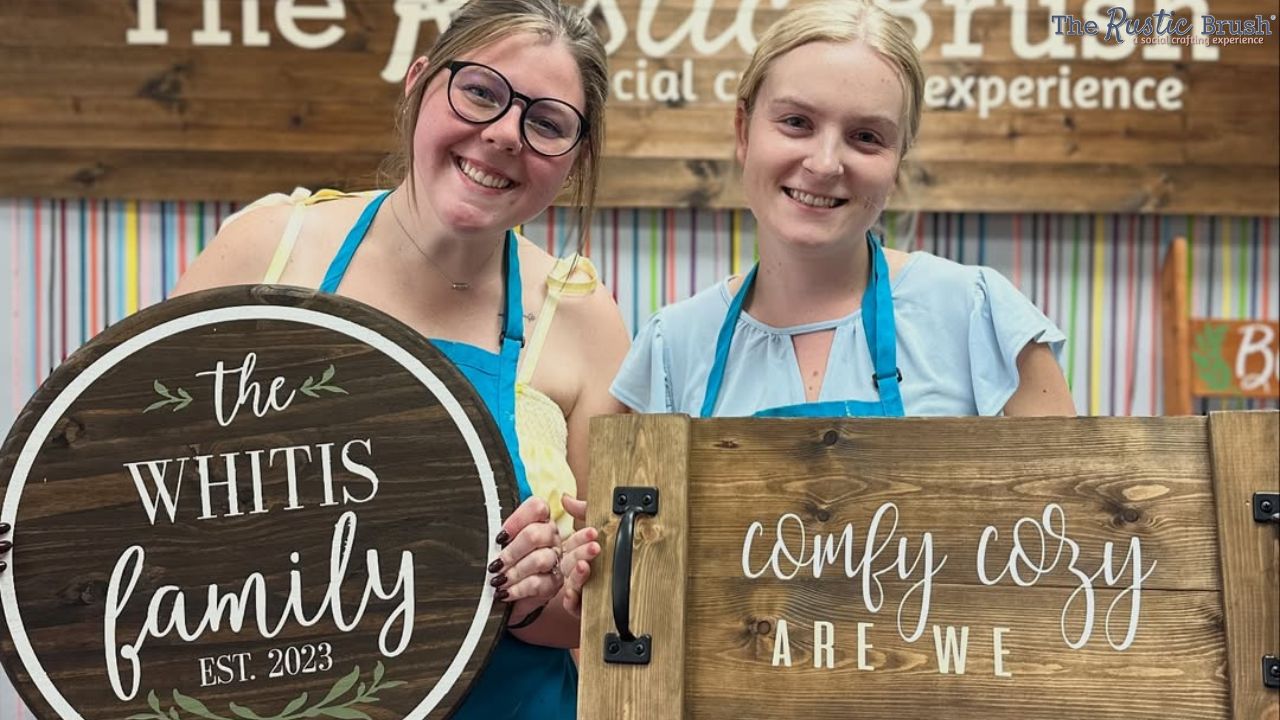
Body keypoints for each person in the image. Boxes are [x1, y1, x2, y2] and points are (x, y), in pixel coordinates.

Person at [170, 0, 631, 716]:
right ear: (419, 85)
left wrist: (542, 595)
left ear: (573, 161)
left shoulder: (584, 320)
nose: (505, 134)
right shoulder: (267, 251)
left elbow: (603, 617)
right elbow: (136, 485)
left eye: (547, 123)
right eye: (481, 91)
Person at [609, 0, 1075, 419]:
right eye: (796, 123)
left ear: (896, 166)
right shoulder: (674, 346)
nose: (825, 163)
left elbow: (1069, 509)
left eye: (866, 137)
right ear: (744, 132)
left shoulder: (978, 316)